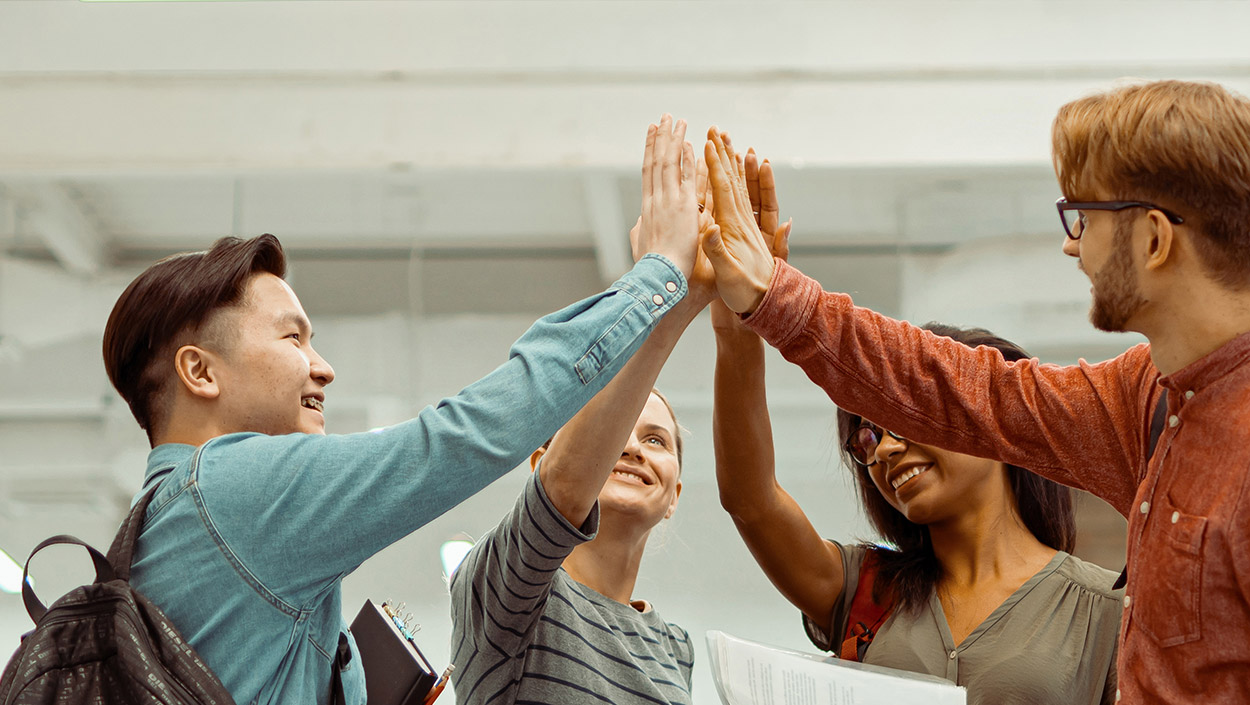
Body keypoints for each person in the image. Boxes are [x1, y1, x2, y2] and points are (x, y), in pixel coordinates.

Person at [698, 80, 1250, 704]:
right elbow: (961, 390)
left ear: (1152, 239)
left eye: (1084, 217)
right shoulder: (1155, 403)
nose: (1072, 245)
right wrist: (769, 294)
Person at [102, 115, 703, 705]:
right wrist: (658, 276)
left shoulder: (176, 517)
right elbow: (460, 437)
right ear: (200, 372)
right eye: (293, 339)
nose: (323, 367)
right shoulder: (232, 488)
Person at [714, 221, 1122, 703]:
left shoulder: (1105, 610)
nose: (883, 450)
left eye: (904, 421)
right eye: (866, 438)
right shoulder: (865, 590)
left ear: (988, 421)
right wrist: (737, 322)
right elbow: (752, 500)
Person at [449, 390, 697, 705]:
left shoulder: (676, 648)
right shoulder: (509, 590)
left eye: (655, 440)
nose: (633, 448)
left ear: (673, 496)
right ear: (544, 465)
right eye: (612, 427)